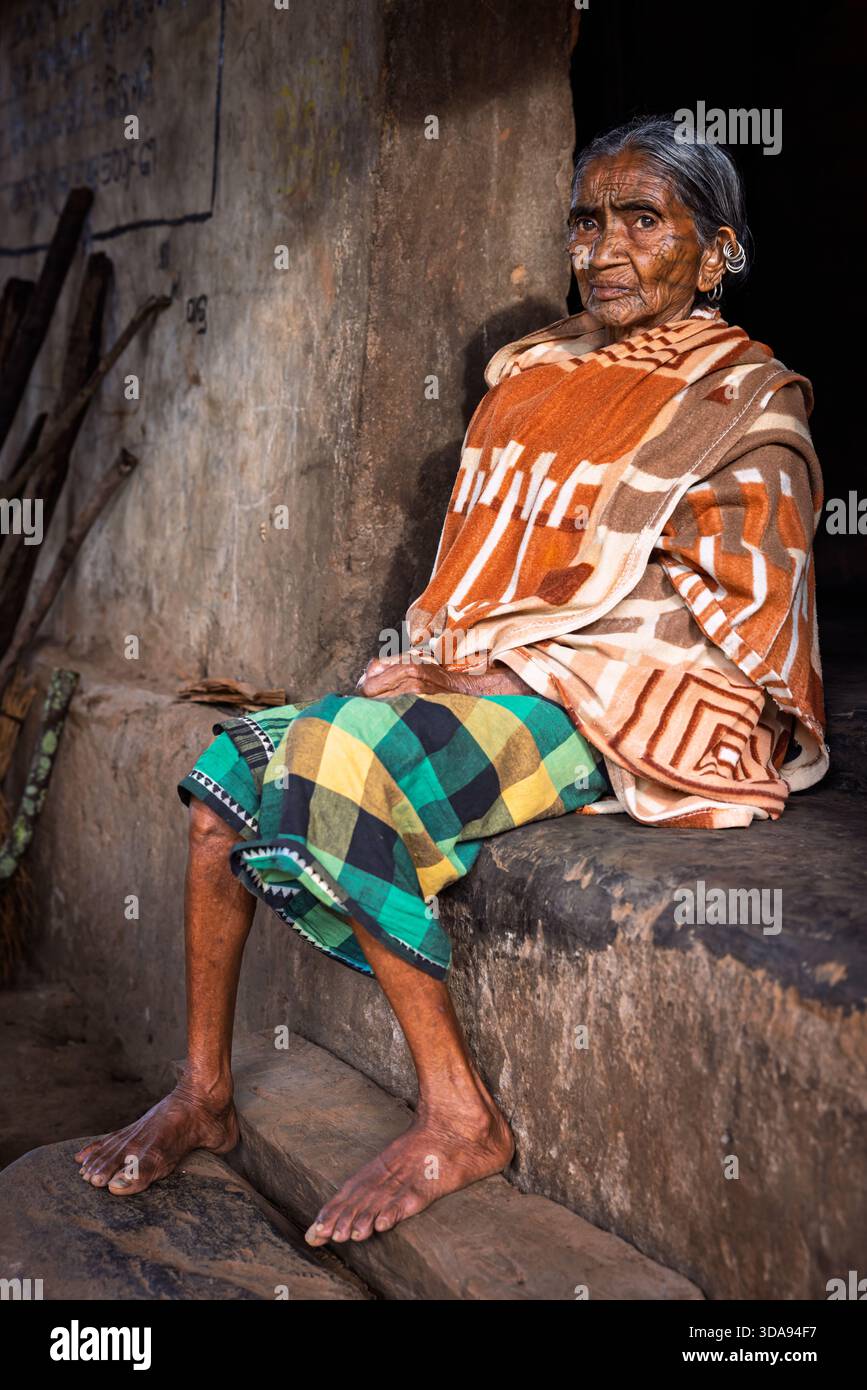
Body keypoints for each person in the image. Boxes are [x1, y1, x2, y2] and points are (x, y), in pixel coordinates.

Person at [74, 115, 827, 1248]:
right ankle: (207, 1090)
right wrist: (446, 648)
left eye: (643, 220)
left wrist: (511, 653)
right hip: (492, 670)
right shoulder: (535, 373)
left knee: (339, 757)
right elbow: (482, 565)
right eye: (588, 221)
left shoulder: (747, 401)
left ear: (714, 251)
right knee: (223, 774)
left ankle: (460, 1114)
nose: (607, 248)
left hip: (623, 700)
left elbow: (733, 615)